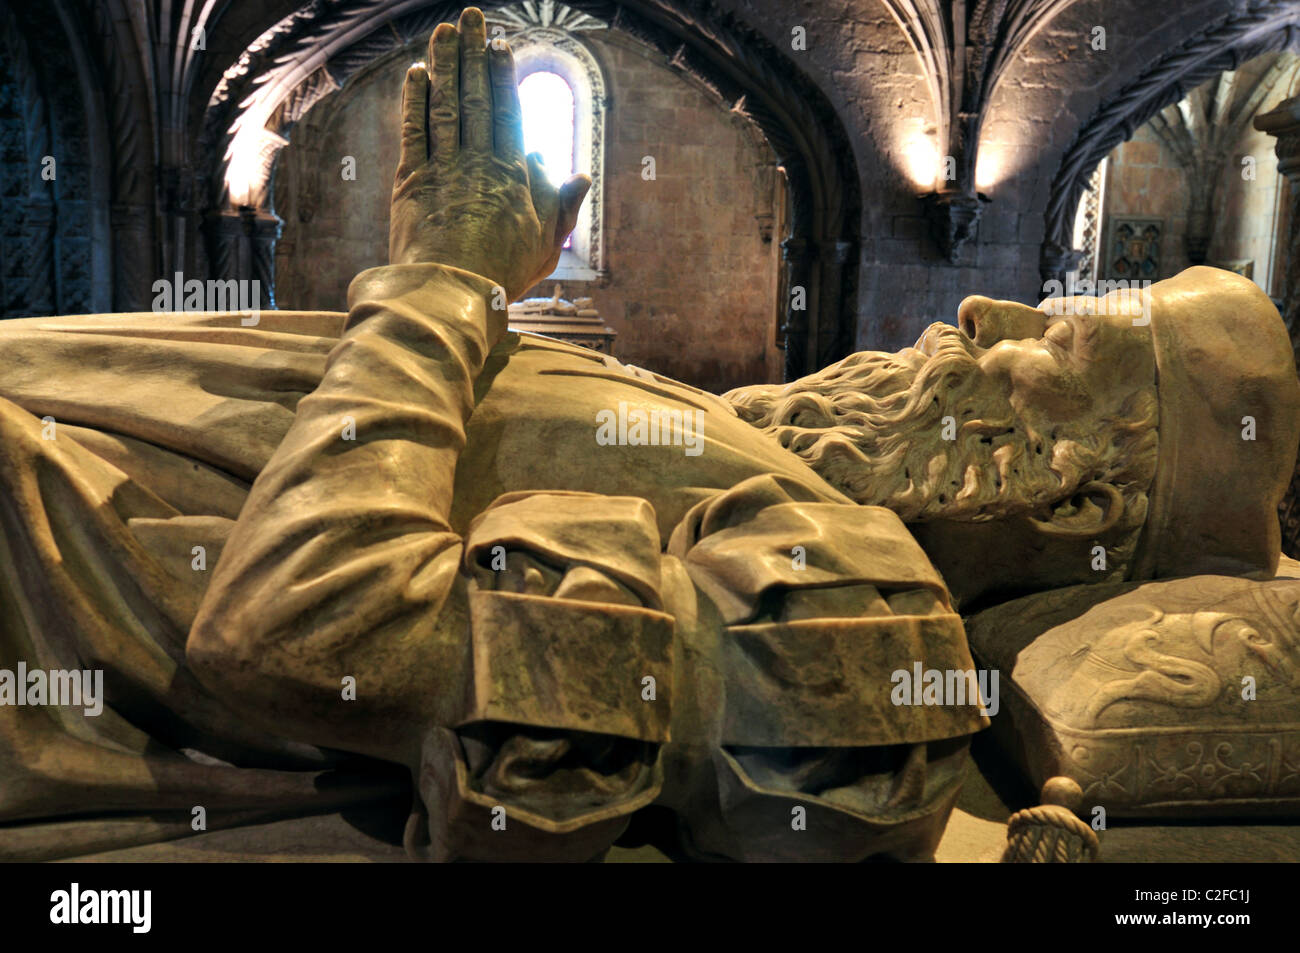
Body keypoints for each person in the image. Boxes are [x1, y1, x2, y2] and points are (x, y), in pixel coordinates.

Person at [0, 7, 1295, 862]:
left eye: (1066, 339)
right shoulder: (781, 475)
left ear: (1077, 501)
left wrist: (448, 274)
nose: (985, 303)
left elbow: (307, 619)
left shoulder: (839, 604)